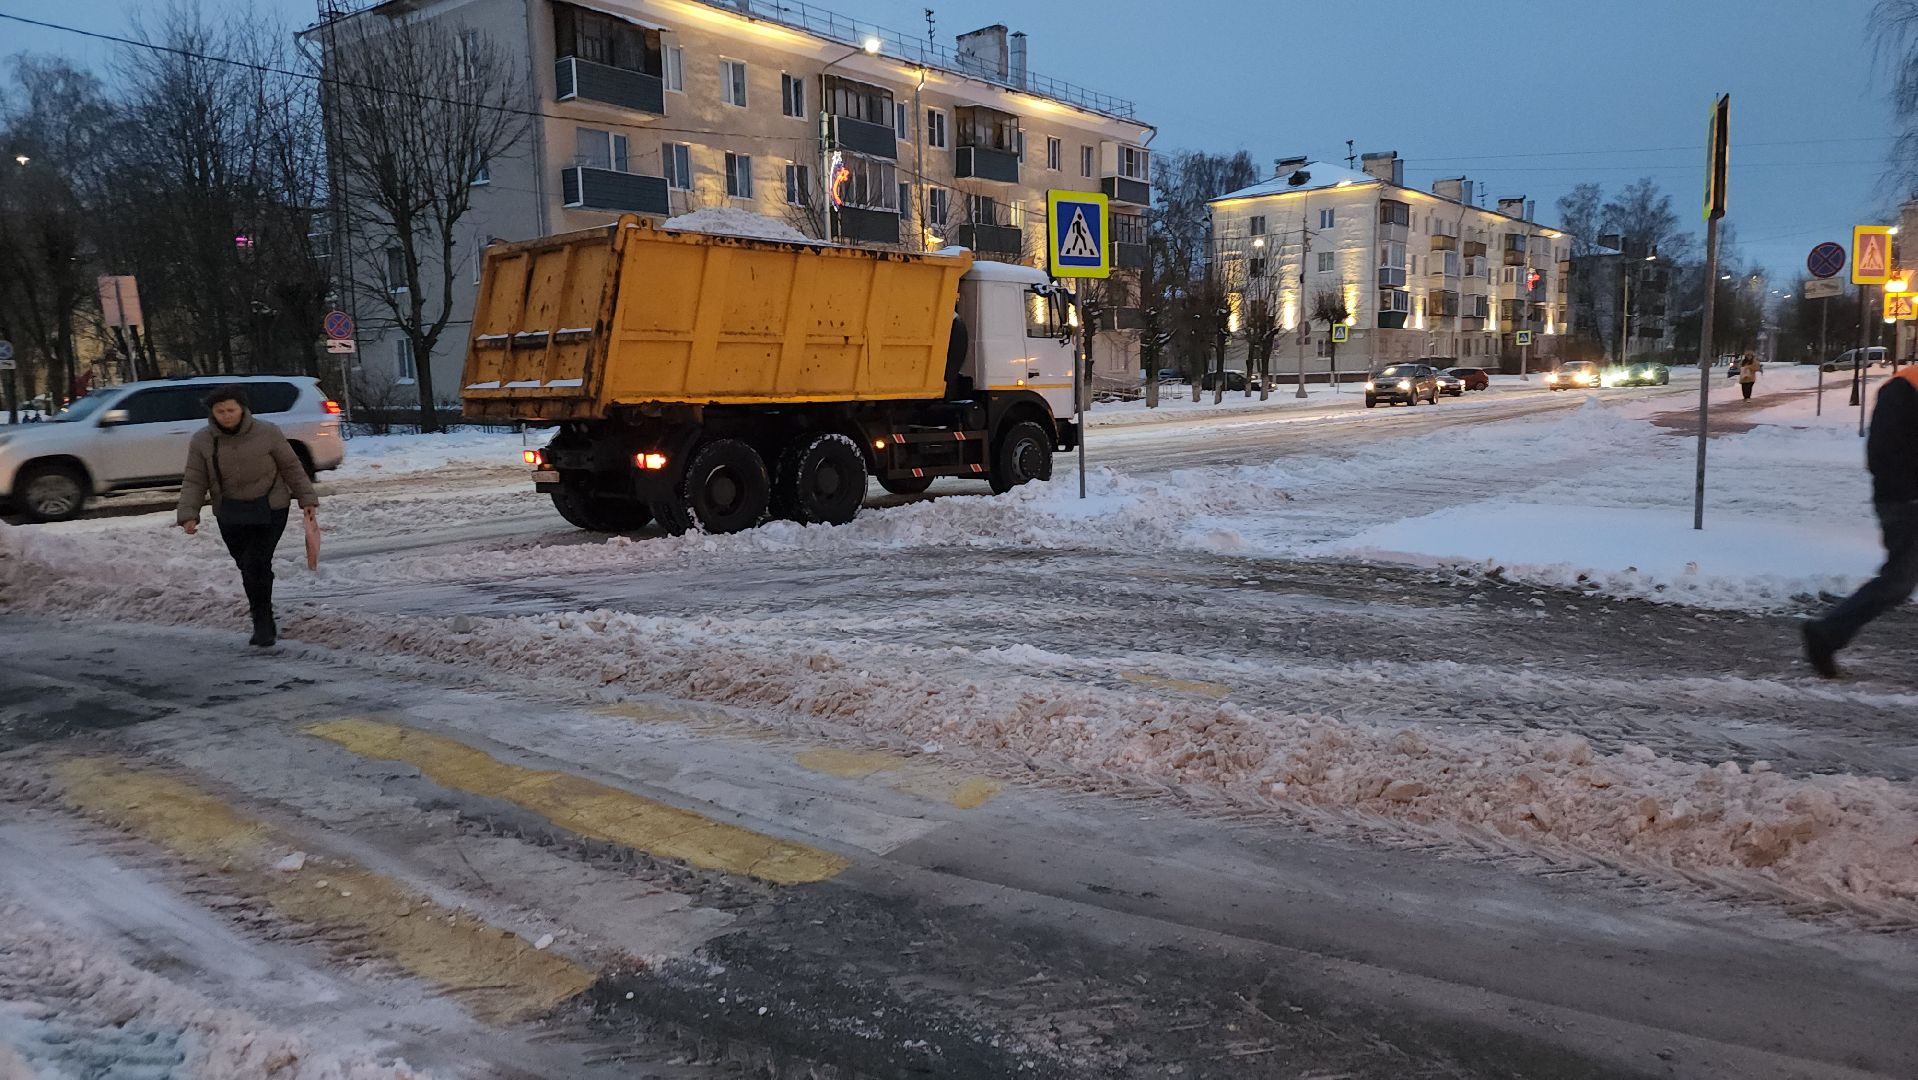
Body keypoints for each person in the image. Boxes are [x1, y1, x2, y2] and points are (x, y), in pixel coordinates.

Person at [176, 385, 318, 647]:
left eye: (231, 409)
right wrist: (188, 514)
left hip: (271, 507)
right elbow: (194, 479)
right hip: (230, 512)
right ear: (212, 413)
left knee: (256, 563)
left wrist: (306, 498)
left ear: (243, 409)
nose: (227, 415)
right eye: (220, 411)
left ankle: (262, 622)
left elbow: (291, 466)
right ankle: (262, 606)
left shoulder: (267, 432)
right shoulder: (202, 440)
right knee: (248, 567)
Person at [1803, 365, 1918, 677]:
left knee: (1899, 581)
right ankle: (1827, 634)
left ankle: (1828, 634)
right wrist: (1908, 493)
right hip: (1905, 503)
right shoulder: (1901, 393)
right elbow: (1882, 453)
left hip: (1904, 499)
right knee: (1898, 582)